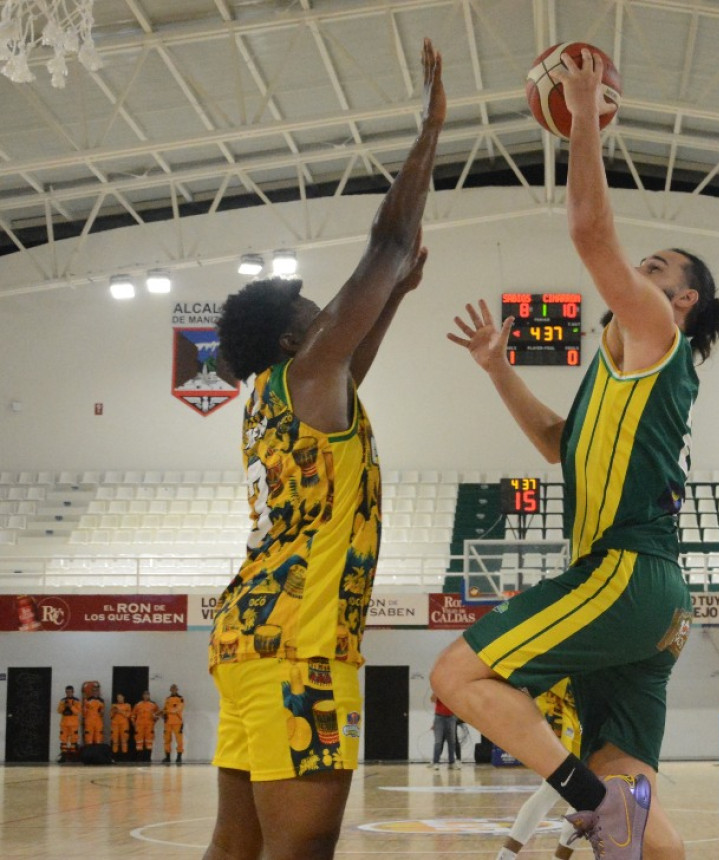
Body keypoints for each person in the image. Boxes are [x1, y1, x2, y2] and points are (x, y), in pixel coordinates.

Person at [431, 46, 719, 860]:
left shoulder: (657, 333)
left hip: (624, 573)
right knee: (633, 804)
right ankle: (612, 808)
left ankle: (592, 805)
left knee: (457, 676)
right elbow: (556, 444)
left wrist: (584, 116)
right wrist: (498, 370)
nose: (635, 271)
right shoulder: (616, 374)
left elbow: (590, 233)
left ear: (681, 300)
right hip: (654, 604)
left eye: (653, 268)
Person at [202, 37, 445, 860]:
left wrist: (396, 298)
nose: (324, 315)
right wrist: (429, 132)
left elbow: (355, 355)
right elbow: (387, 242)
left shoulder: (278, 398)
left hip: (247, 640)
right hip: (300, 648)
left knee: (235, 847)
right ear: (290, 336)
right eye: (312, 312)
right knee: (299, 851)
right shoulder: (307, 373)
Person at [497, 679, 581, 860]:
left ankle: (507, 856)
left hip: (578, 717)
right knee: (554, 788)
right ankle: (506, 856)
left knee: (584, 796)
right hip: (557, 711)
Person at [429, 694, 458, 770]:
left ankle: (452, 763)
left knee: (452, 741)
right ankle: (436, 762)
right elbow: (432, 700)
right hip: (439, 717)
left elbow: (457, 703)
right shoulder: (439, 690)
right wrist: (436, 692)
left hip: (451, 717)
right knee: (438, 741)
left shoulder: (452, 692)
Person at [132, 690, 162, 762]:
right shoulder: (138, 705)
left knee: (149, 742)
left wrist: (154, 721)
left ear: (149, 695)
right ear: (143, 696)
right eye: (145, 695)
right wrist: (134, 723)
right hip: (139, 726)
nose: (146, 696)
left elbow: (159, 713)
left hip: (149, 726)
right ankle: (139, 758)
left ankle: (148, 758)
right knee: (139, 743)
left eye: (147, 695)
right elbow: (133, 715)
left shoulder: (153, 704)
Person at [162, 683, 186, 764]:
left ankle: (179, 757)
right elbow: (164, 709)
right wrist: (162, 714)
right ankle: (167, 757)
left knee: (179, 740)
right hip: (168, 722)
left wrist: (166, 711)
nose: (173, 690)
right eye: (172, 688)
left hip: (177, 722)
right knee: (167, 740)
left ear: (177, 689)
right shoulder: (167, 699)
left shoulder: (180, 699)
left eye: (175, 688)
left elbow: (177, 709)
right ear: (170, 690)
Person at [56, 685, 81, 762]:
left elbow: (78, 711)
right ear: (65, 692)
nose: (68, 693)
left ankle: (74, 756)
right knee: (63, 739)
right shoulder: (62, 700)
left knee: (74, 739)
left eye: (70, 692)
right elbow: (59, 711)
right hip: (64, 723)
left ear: (73, 692)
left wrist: (71, 706)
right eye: (67, 692)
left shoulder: (77, 700)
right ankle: (63, 756)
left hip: (73, 724)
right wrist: (64, 706)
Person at [82, 682, 105, 747]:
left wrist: (102, 712)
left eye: (96, 691)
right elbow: (84, 712)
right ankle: (89, 752)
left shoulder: (101, 701)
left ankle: (97, 752)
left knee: (98, 740)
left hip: (98, 722)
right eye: (94, 691)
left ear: (98, 691)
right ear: (92, 692)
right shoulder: (87, 700)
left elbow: (102, 712)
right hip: (89, 722)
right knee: (89, 740)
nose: (95, 692)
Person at [110, 693, 132, 759]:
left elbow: (128, 715)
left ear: (123, 698)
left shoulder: (127, 705)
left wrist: (120, 711)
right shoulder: (113, 706)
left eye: (120, 697)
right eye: (118, 698)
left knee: (124, 740)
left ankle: (124, 756)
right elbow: (110, 716)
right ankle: (115, 756)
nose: (119, 699)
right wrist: (114, 712)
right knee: (115, 740)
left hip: (124, 725)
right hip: (115, 725)